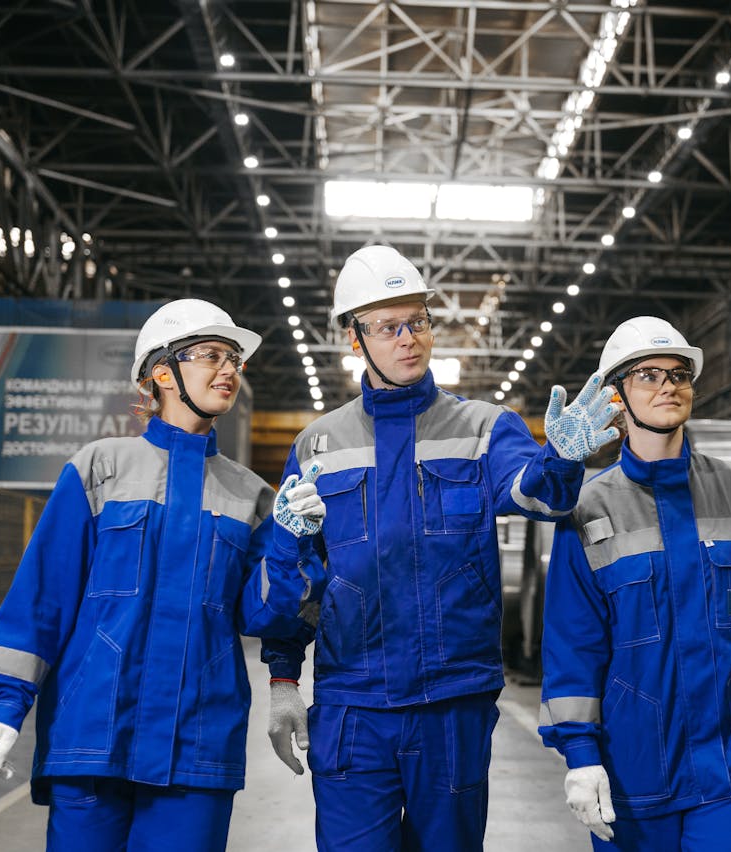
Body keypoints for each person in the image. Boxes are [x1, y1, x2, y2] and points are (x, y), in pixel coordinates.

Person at [263, 244, 621, 851]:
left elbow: (537, 496)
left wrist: (560, 458)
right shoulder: (319, 445)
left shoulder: (484, 428)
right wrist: (281, 680)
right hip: (354, 705)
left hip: (451, 702)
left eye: (419, 322)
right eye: (388, 327)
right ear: (356, 339)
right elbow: (304, 570)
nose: (410, 338)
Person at [0, 298, 328, 851]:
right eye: (211, 355)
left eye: (234, 358)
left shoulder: (251, 494)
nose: (229, 369)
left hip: (197, 744)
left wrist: (288, 539)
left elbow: (266, 615)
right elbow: (42, 598)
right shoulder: (99, 469)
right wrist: (4, 706)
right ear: (162, 372)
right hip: (92, 736)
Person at [538, 316, 731, 851]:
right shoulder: (588, 512)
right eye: (648, 375)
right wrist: (581, 757)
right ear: (616, 396)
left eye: (679, 374)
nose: (669, 385)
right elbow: (574, 646)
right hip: (633, 767)